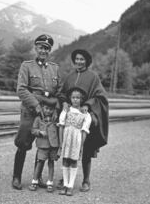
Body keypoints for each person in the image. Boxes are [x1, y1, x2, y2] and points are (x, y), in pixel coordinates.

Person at [12, 34, 62, 190]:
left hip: (47, 115)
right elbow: (21, 89)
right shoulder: (26, 66)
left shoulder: (55, 68)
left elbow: (60, 92)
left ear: (49, 50)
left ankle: (37, 177)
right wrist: (36, 105)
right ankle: (16, 177)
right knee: (23, 143)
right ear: (36, 48)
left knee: (44, 145)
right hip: (30, 112)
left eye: (47, 48)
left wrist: (57, 108)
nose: (44, 50)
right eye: (41, 47)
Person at [57, 49, 109, 192]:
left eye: (82, 59)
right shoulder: (69, 77)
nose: (79, 61)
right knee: (67, 149)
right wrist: (64, 102)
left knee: (86, 149)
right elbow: (62, 94)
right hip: (71, 118)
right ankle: (65, 179)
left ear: (87, 61)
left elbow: (101, 96)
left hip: (86, 118)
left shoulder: (93, 77)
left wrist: (88, 104)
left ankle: (86, 180)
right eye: (76, 59)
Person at [57, 87, 92, 196]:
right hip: (66, 139)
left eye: (78, 98)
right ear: (70, 98)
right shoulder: (66, 110)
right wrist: (61, 143)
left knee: (73, 161)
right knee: (65, 160)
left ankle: (70, 185)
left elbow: (84, 131)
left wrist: (81, 145)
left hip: (76, 140)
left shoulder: (85, 114)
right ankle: (65, 185)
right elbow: (61, 127)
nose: (75, 100)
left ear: (82, 99)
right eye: (73, 97)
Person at [28, 102, 60, 193]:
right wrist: (40, 132)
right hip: (42, 145)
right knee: (40, 162)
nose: (48, 111)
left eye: (50, 109)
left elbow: (58, 131)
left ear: (53, 110)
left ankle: (50, 182)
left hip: (53, 145)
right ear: (42, 108)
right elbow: (33, 130)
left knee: (51, 163)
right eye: (46, 108)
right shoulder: (38, 119)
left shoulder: (55, 119)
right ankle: (35, 181)